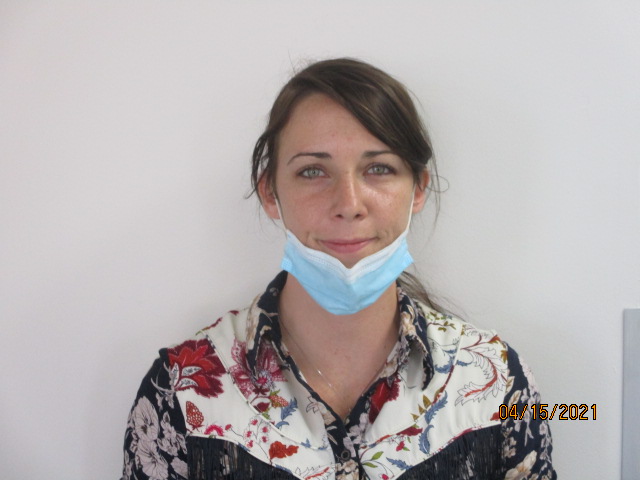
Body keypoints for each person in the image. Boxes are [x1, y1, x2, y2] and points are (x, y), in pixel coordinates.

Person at [121, 58, 556, 480]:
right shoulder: (180, 392)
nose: (348, 204)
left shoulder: (500, 384)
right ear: (270, 192)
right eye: (313, 171)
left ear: (419, 188)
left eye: (379, 168)